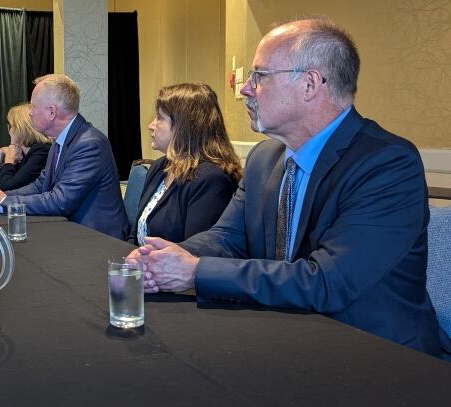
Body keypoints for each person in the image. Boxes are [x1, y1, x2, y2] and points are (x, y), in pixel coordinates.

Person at [128, 18, 448, 357]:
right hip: (289, 338)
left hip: (379, 355)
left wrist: (195, 273)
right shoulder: (264, 159)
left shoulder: (386, 163)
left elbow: (328, 281)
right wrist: (166, 257)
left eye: (260, 76)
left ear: (309, 84)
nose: (245, 89)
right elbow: (225, 239)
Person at [0, 74, 129, 240]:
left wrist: (4, 203)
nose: (30, 113)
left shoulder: (89, 144)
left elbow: (61, 200)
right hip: (73, 232)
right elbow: (41, 185)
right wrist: (4, 196)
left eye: (34, 106)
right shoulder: (61, 141)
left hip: (100, 239)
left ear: (51, 112)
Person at [127, 83, 241, 245]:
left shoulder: (211, 180)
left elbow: (195, 252)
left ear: (183, 126)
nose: (150, 126)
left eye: (159, 118)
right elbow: (138, 233)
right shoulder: (159, 167)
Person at [0, 103, 51, 190]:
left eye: (11, 126)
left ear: (22, 128)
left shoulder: (42, 152)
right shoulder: (20, 153)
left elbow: (8, 187)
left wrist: (9, 161)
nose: (9, 131)